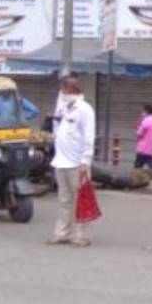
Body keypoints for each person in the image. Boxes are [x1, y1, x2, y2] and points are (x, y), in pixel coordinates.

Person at [47, 75, 96, 248]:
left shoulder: (84, 109)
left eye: (63, 90)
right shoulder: (64, 109)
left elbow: (89, 136)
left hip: (77, 162)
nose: (61, 93)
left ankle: (82, 235)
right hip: (61, 161)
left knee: (80, 199)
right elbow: (56, 128)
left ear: (70, 90)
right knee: (64, 200)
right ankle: (62, 233)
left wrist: (85, 160)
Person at [134, 103, 152, 171]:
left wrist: (138, 126)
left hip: (143, 149)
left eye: (142, 111)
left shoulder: (145, 121)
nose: (141, 113)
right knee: (151, 169)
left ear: (146, 111)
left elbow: (139, 134)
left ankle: (138, 181)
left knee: (137, 168)